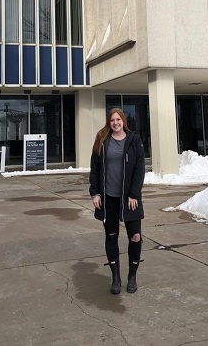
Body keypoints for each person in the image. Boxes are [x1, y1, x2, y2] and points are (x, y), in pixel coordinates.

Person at [89, 108, 145, 294]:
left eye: (118, 119)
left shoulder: (134, 140)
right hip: (109, 198)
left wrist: (134, 194)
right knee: (111, 236)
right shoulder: (102, 140)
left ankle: (132, 276)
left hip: (130, 198)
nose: (115, 123)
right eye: (112, 120)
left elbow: (139, 169)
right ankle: (115, 277)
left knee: (135, 236)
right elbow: (95, 169)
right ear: (109, 122)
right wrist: (95, 193)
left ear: (123, 121)